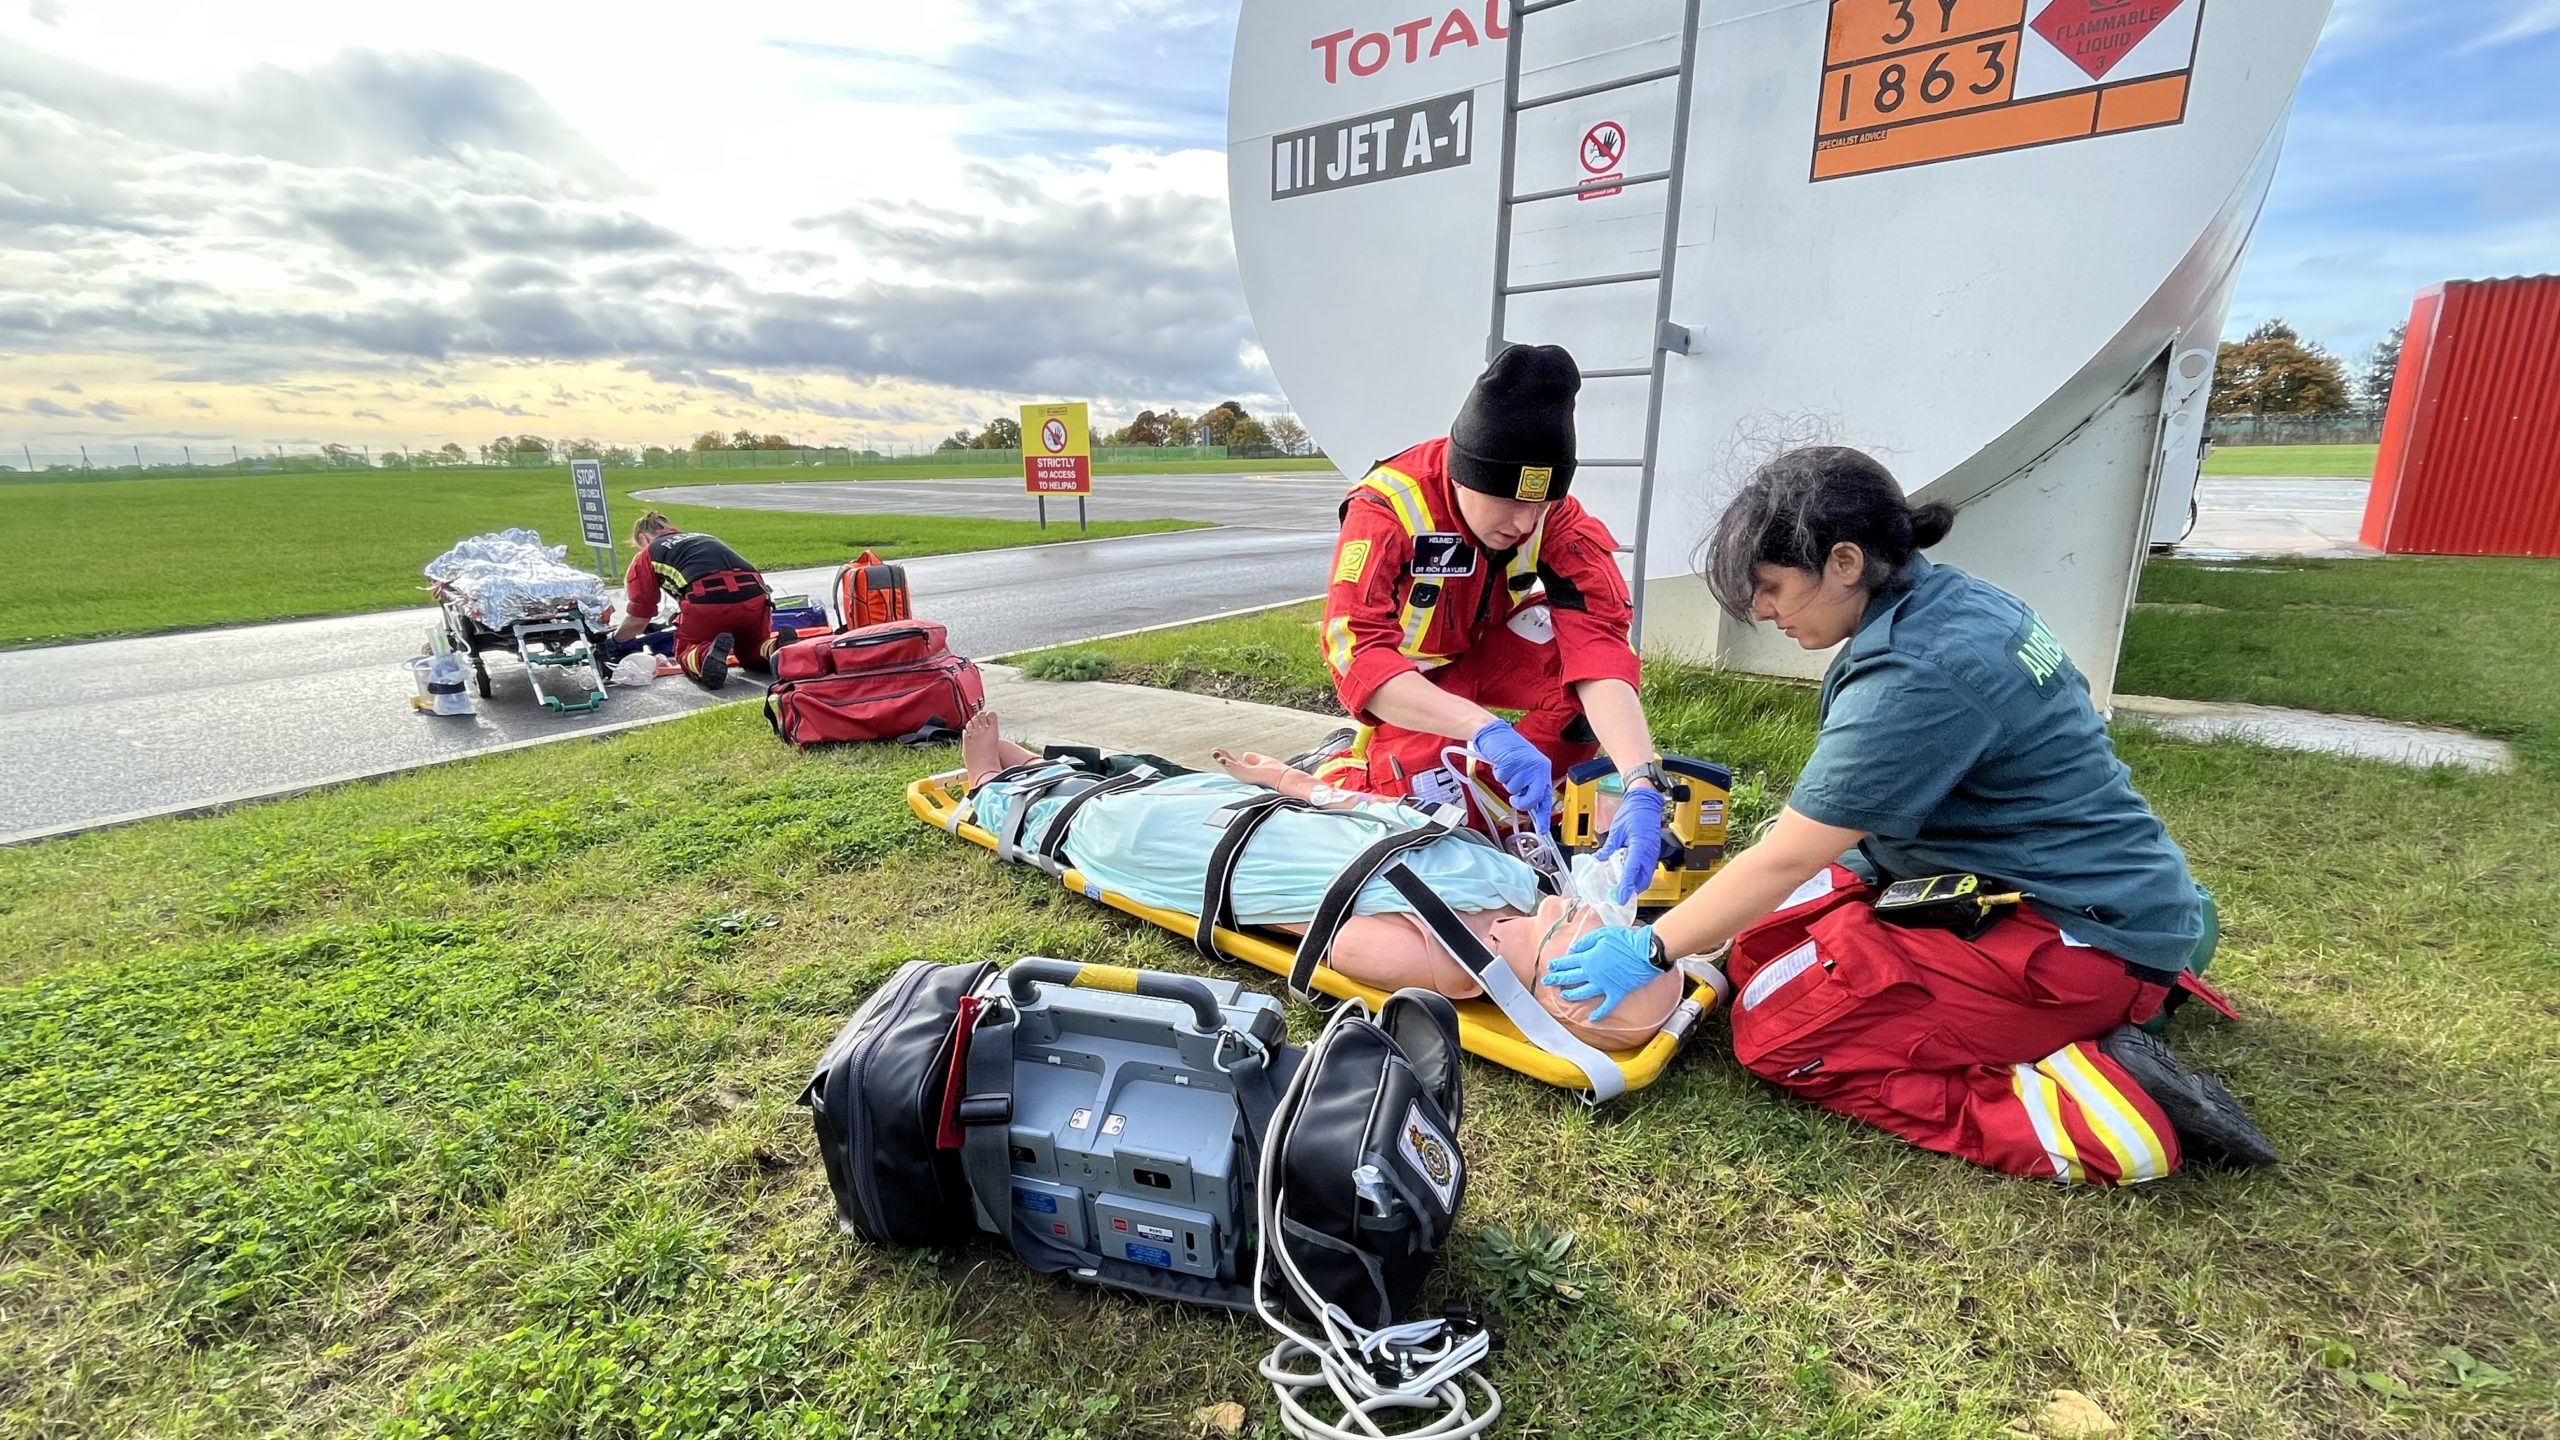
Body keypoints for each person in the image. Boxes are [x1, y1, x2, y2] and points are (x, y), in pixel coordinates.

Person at [1540, 446, 2277, 1186]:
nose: (1762, 610)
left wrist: (1652, 947)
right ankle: (2103, 1004)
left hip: (2070, 936)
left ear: (1846, 562)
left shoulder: (1920, 671)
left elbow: (1789, 854)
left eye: (1770, 586)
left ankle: (2105, 1108)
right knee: (1760, 949)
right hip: (2064, 886)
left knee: (1777, 1035)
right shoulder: (1955, 603)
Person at [958, 712, 1684, 1052]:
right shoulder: (1520, 884)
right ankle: (1049, 778)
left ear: (1568, 978)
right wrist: (1290, 783)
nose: (1607, 915)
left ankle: (997, 786)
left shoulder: (1445, 966)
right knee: (1181, 790)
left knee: (1128, 828)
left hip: (1258, 865)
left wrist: (1250, 845)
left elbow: (1286, 921)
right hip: (1301, 825)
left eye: (1601, 928)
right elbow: (1396, 816)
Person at [1318, 342, 1675, 904]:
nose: (1525, 522)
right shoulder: (1390, 508)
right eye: (1508, 502)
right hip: (1411, 683)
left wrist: (1640, 779)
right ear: (1463, 475)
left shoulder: (1551, 517)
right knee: (1407, 791)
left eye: (1541, 505)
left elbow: (1600, 641)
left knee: (1577, 664)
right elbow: (1355, 652)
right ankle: (1374, 769)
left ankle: (1514, 819)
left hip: (1483, 652)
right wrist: (1484, 730)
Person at [611, 511, 781, 690]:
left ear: (643, 538)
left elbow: (639, 618)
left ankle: (704, 655)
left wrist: (615, 641)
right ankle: (774, 648)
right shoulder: (702, 537)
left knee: (686, 651)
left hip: (706, 601)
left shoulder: (646, 555)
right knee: (750, 650)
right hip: (755, 597)